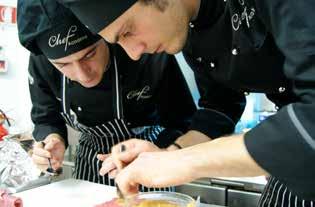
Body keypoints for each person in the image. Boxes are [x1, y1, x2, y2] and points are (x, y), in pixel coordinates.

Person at [60, 0, 315, 206]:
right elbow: (220, 108)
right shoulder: (189, 30)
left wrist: (182, 163)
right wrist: (170, 152)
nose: (134, 53)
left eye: (128, 31)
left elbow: (310, 123)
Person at [17, 0, 197, 191]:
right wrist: (52, 141)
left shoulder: (143, 49)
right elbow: (45, 117)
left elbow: (183, 120)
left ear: (106, 34)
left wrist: (160, 152)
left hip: (149, 161)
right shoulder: (41, 62)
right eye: (63, 65)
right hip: (90, 164)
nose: (83, 75)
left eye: (89, 55)